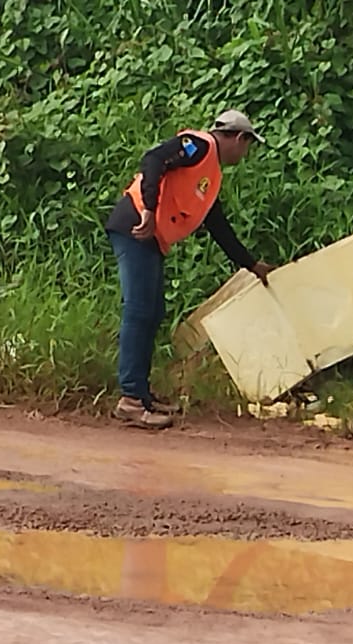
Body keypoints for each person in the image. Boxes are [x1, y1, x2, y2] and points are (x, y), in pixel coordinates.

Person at [104, 110, 276, 430]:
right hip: (136, 225)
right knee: (140, 310)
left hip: (151, 238)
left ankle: (140, 395)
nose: (245, 153)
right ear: (239, 139)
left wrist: (251, 265)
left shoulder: (210, 176)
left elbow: (218, 226)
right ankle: (129, 400)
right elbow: (154, 159)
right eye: (247, 146)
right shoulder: (199, 146)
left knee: (153, 311)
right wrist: (150, 210)